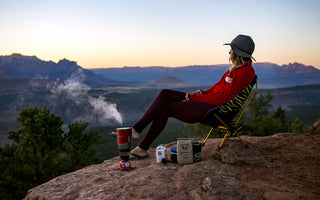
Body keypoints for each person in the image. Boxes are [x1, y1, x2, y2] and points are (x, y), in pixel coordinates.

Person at [129, 34, 256, 159]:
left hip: (215, 111)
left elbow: (222, 99)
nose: (229, 52)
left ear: (238, 53)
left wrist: (193, 98)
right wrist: (200, 93)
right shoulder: (237, 69)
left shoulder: (244, 72)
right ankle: (139, 139)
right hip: (209, 104)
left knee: (165, 107)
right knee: (165, 94)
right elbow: (215, 89)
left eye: (232, 49)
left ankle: (139, 138)